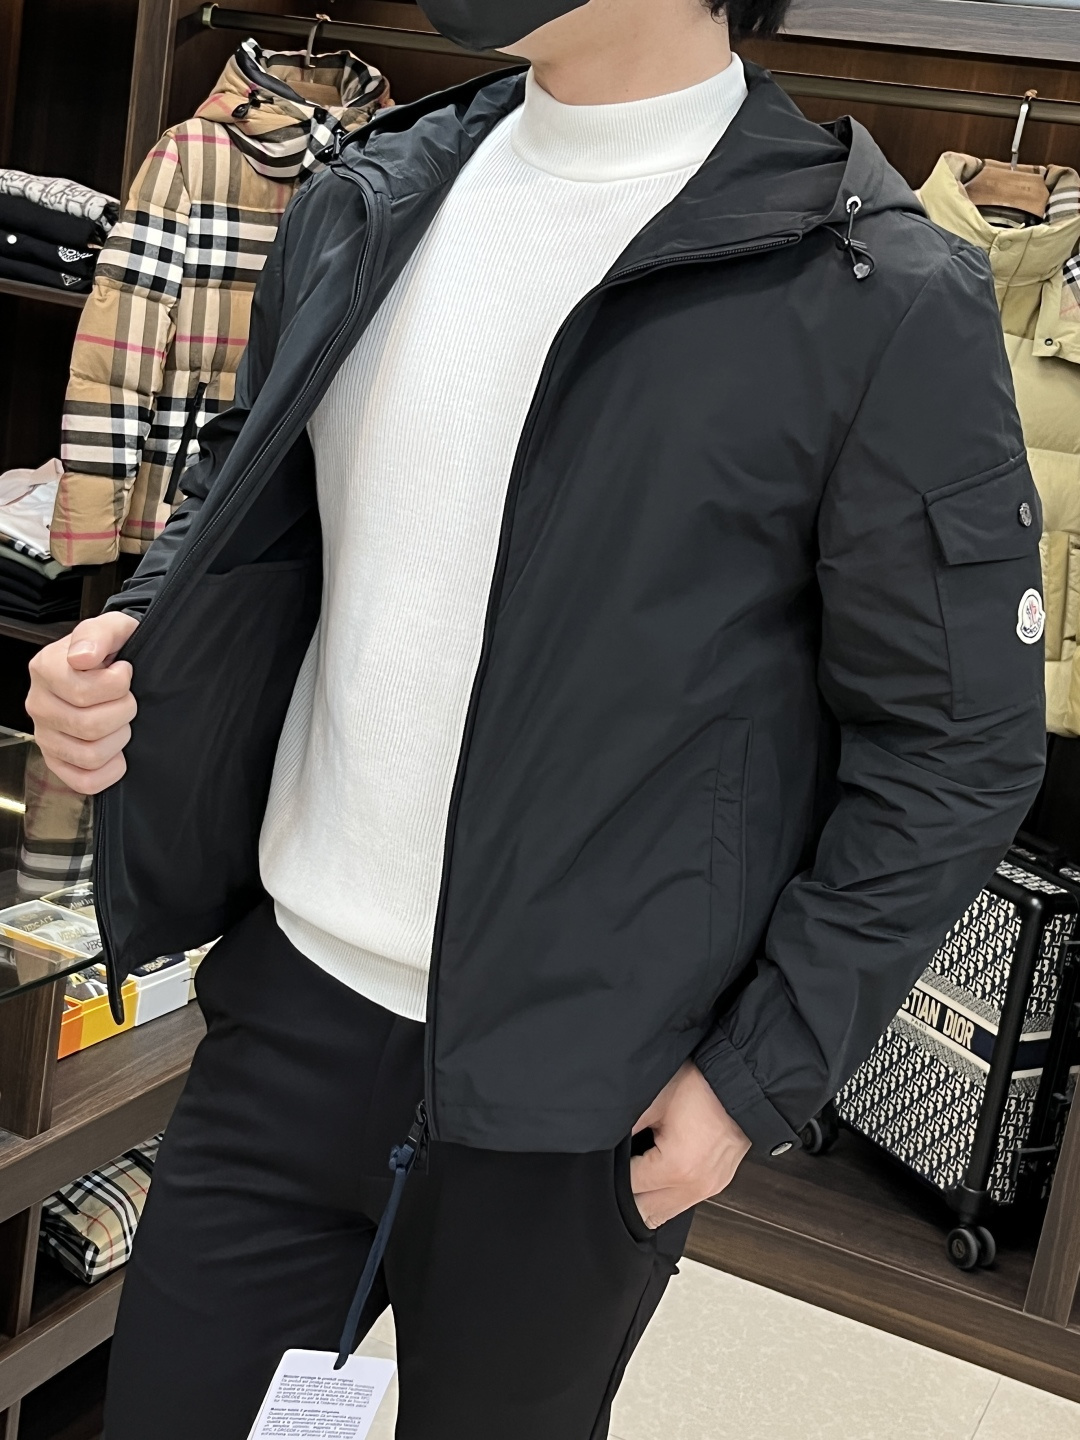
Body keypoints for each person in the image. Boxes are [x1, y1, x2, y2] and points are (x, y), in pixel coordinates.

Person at [27, 0, 1046, 1435]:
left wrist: (757, 1076)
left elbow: (957, 744)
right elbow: (250, 506)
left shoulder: (873, 290)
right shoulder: (369, 196)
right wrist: (130, 646)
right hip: (286, 1008)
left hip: (585, 1096)